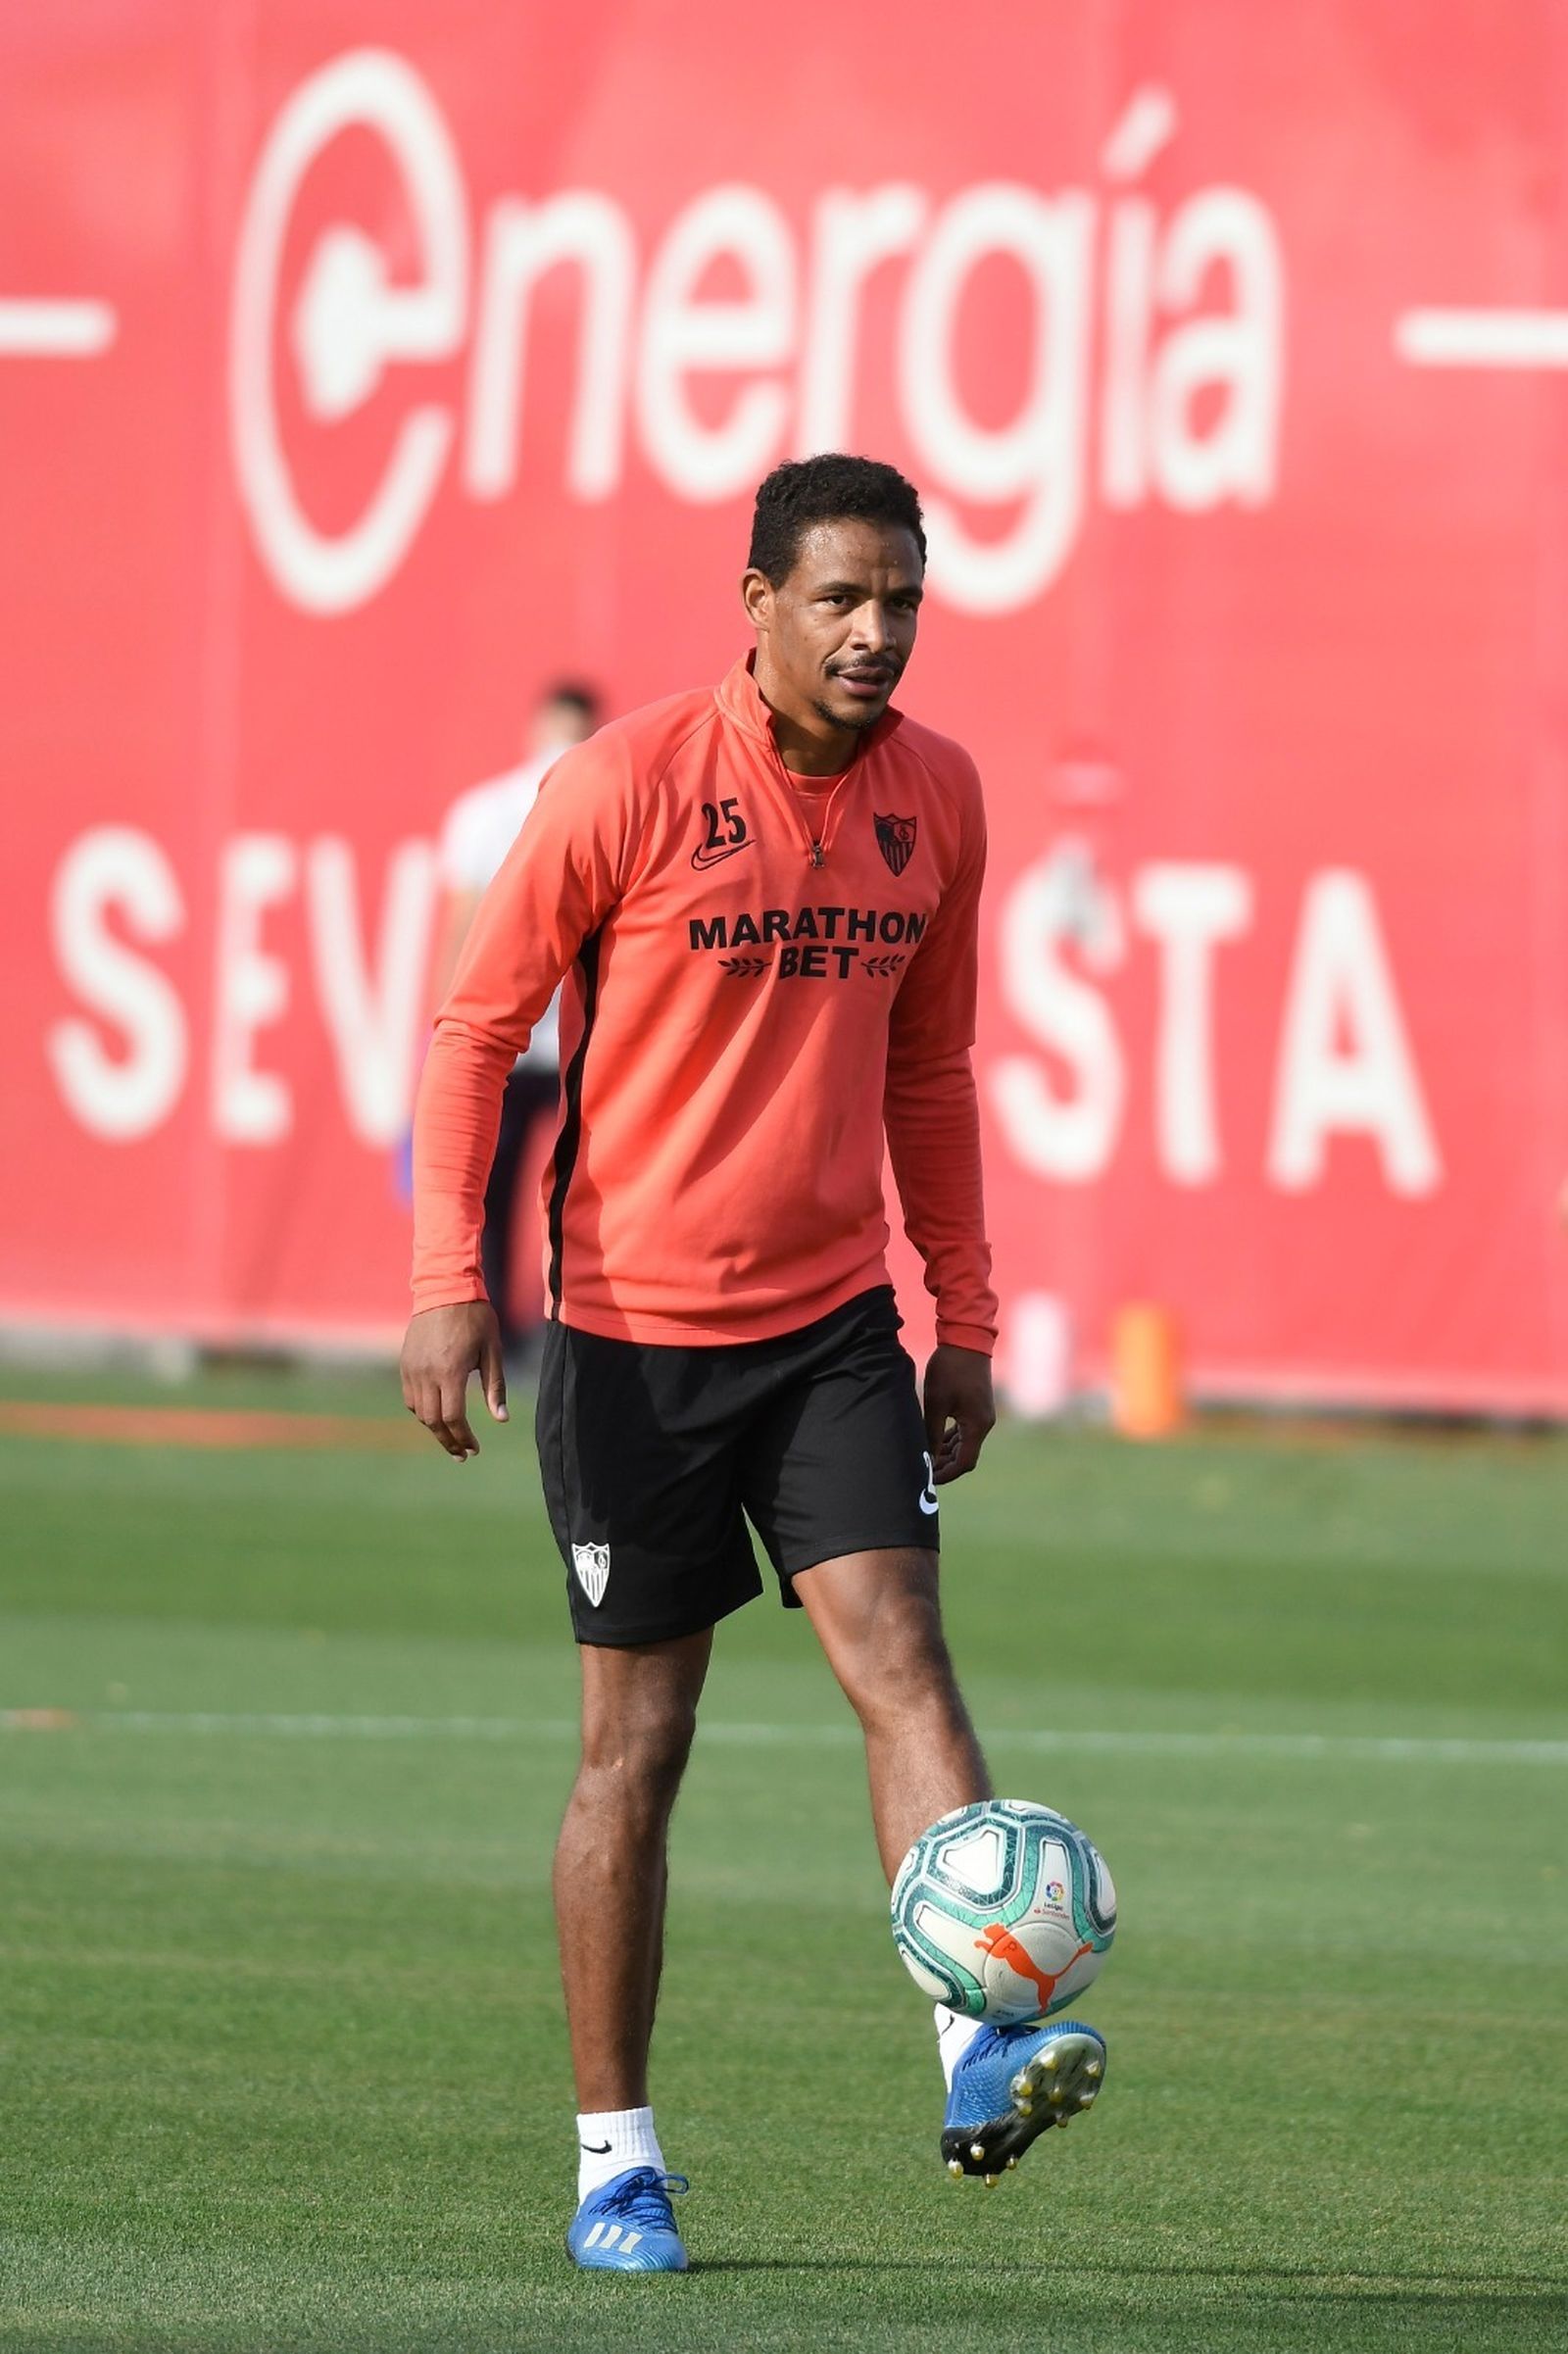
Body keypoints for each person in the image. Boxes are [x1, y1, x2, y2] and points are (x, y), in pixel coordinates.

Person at [400, 455, 1107, 2275]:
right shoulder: (625, 782)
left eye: (905, 603)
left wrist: (968, 1309)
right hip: (634, 1338)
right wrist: (444, 1275)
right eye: (843, 599)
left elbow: (934, 1072)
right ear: (761, 603)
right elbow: (479, 1026)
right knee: (638, 1750)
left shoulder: (936, 794)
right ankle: (615, 2160)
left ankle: (979, 2043)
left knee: (904, 1656)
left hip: (831, 1332)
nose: (878, 633)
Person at [427, 683, 602, 1356]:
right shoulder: (600, 797)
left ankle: (498, 1323)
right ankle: (563, 1329)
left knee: (495, 1195)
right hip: (565, 1035)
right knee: (574, 1193)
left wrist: (443, 1030)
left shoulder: (485, 808)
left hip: (521, 1031)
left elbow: (462, 925)